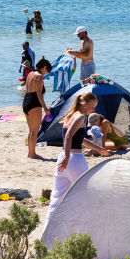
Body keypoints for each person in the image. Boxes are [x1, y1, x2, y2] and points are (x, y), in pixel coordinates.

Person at [47, 92, 114, 222]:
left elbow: (80, 139)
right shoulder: (80, 117)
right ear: (84, 104)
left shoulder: (70, 115)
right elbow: (68, 136)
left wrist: (99, 149)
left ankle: (48, 230)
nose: (94, 110)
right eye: (92, 107)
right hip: (74, 159)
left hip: (64, 157)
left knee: (58, 196)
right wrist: (67, 156)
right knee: (86, 192)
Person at [23, 58, 53, 159]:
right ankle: (33, 154)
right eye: (47, 71)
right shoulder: (39, 77)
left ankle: (30, 153)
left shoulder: (30, 74)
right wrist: (45, 108)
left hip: (26, 102)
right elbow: (39, 93)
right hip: (34, 103)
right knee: (35, 132)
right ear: (44, 68)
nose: (46, 74)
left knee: (31, 131)